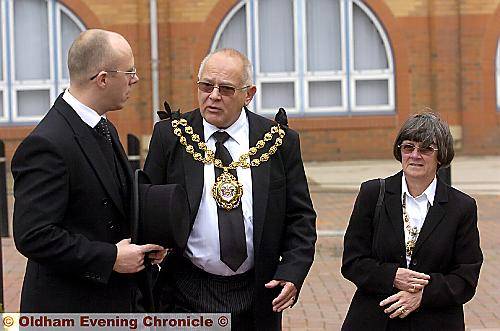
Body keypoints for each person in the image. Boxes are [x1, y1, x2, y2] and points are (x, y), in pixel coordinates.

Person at [144, 48, 317, 330]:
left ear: (248, 94)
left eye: (225, 89)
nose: (213, 96)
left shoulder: (278, 142)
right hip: (185, 290)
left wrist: (293, 272)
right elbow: (149, 205)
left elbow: (300, 217)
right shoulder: (171, 136)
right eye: (206, 86)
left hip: (257, 292)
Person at [12, 29, 166, 313]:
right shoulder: (47, 143)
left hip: (119, 302)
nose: (136, 79)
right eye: (129, 72)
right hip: (71, 307)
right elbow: (33, 235)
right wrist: (110, 258)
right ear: (103, 79)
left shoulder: (105, 127)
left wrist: (147, 244)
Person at [341, 112, 483, 330]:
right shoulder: (372, 193)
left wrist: (423, 296)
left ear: (441, 155)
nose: (415, 155)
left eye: (426, 149)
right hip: (376, 319)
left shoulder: (462, 207)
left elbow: (465, 278)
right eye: (408, 147)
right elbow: (353, 262)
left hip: (435, 321)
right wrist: (392, 276)